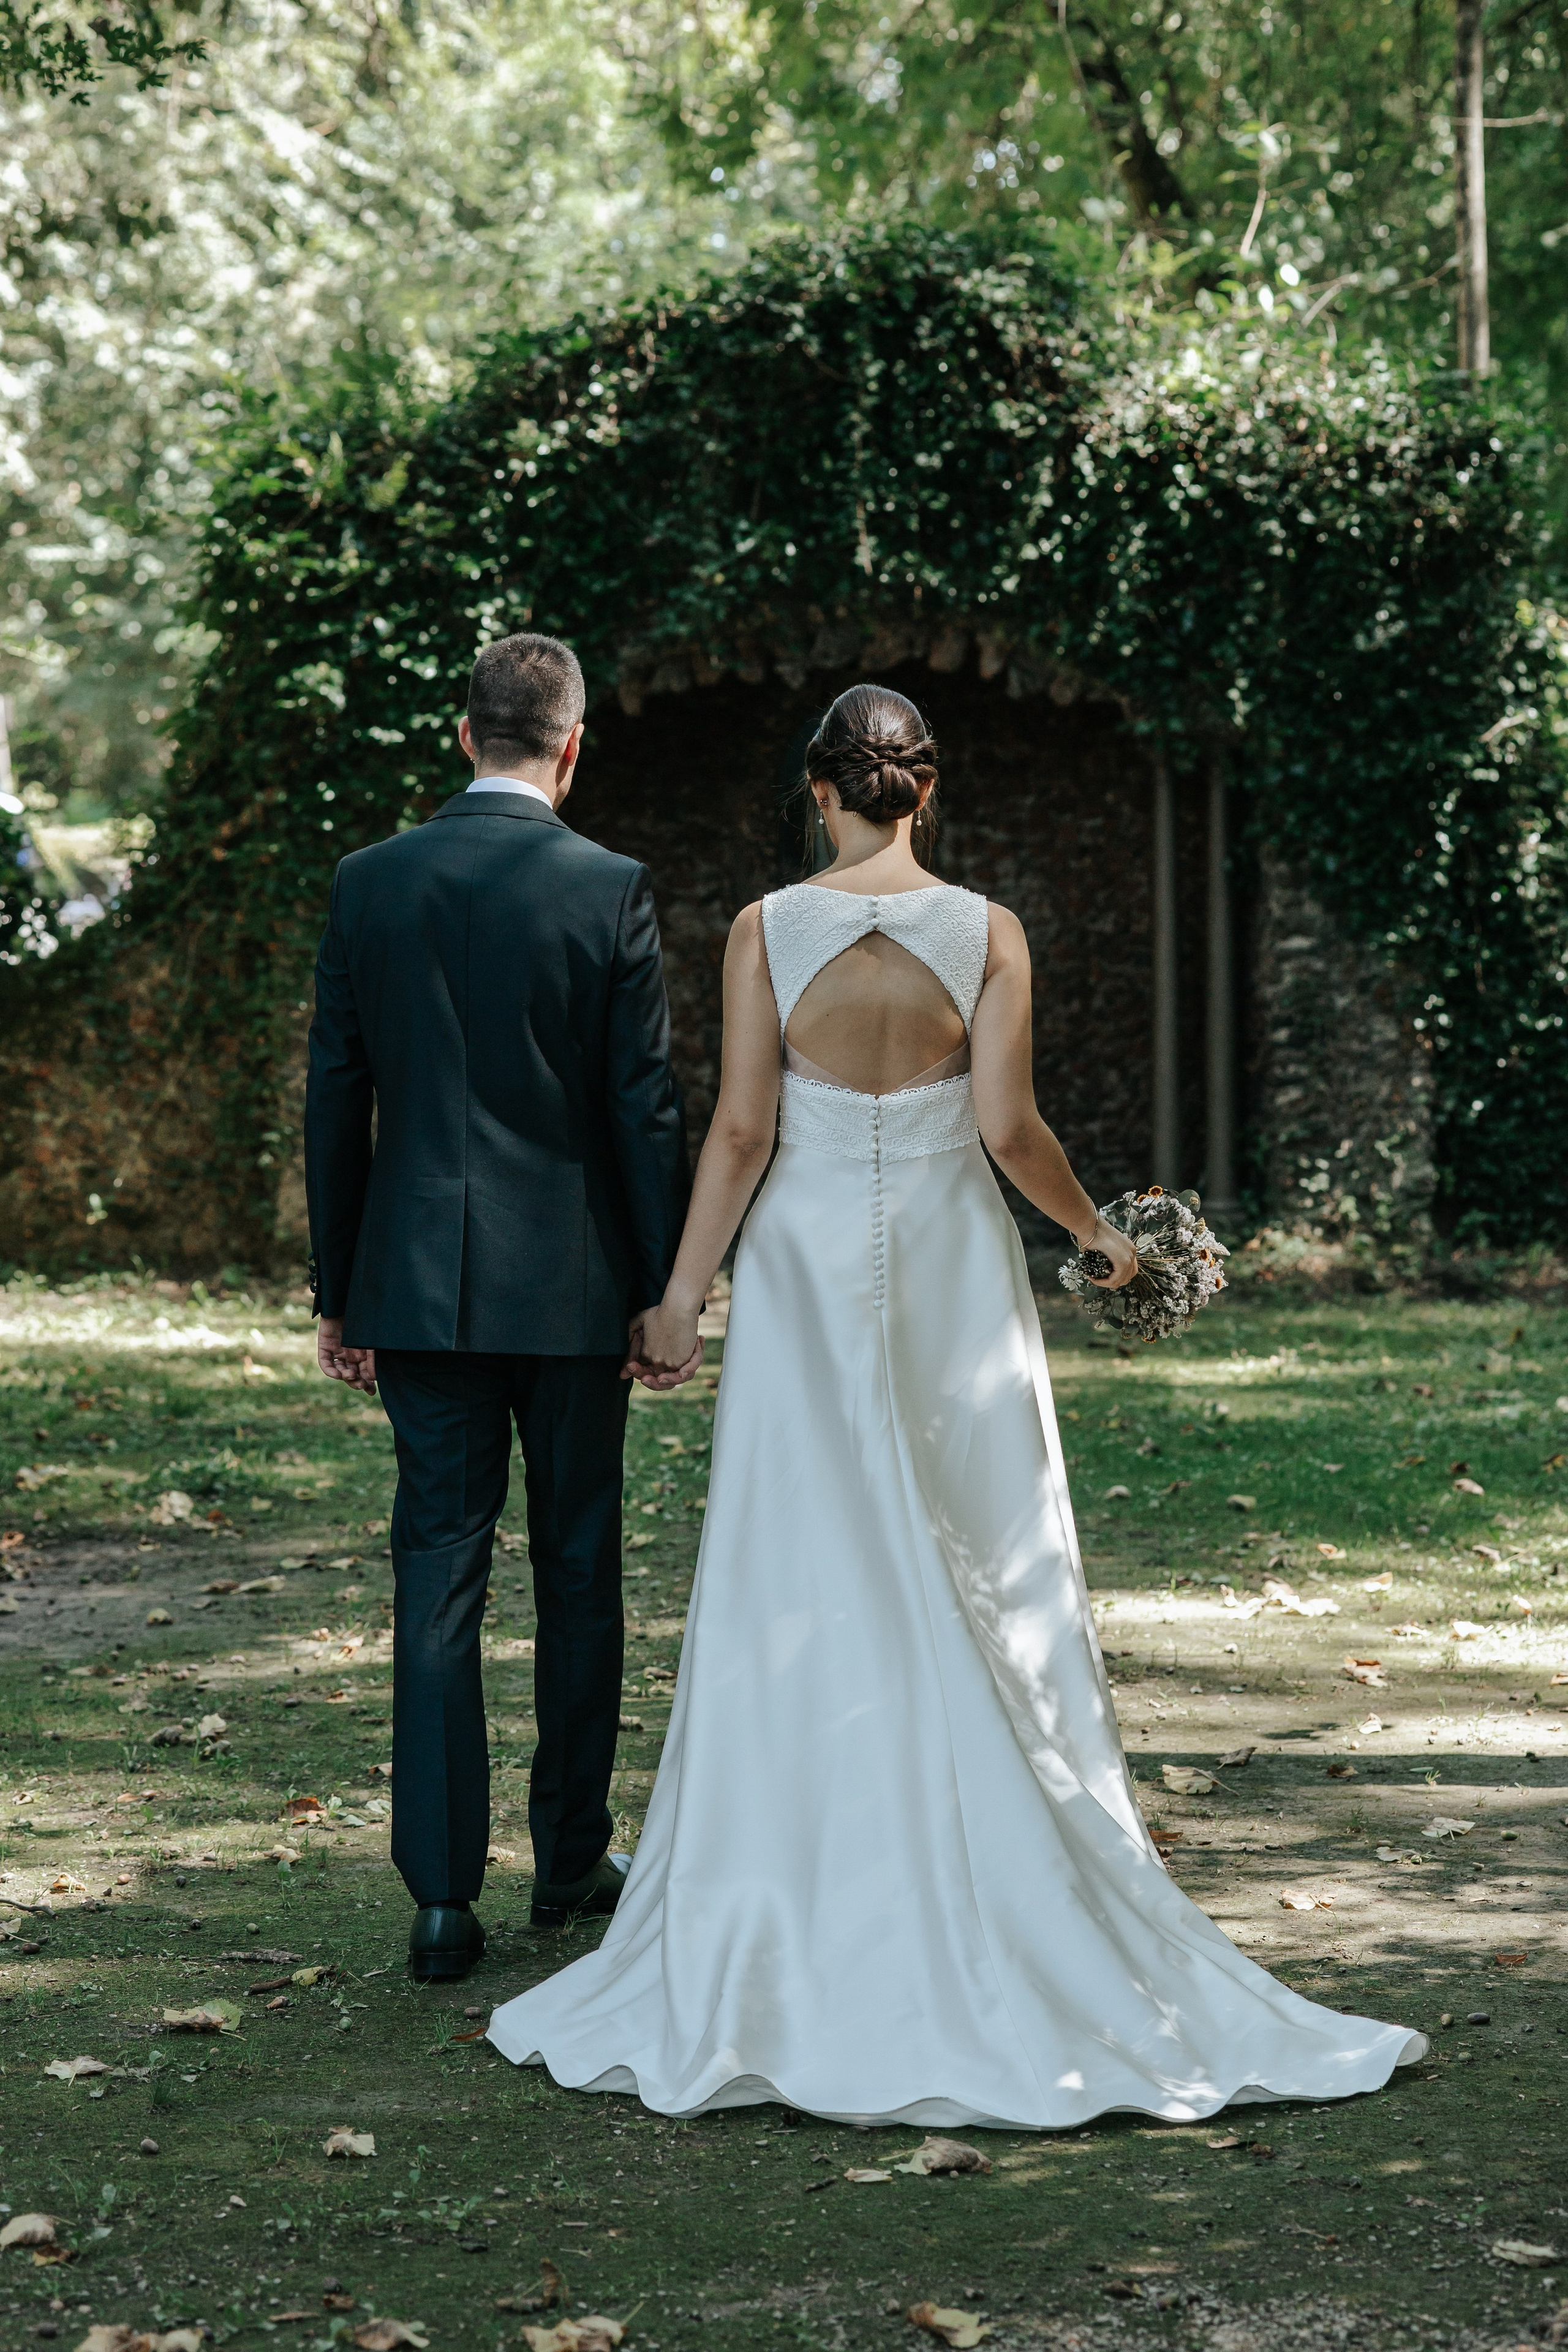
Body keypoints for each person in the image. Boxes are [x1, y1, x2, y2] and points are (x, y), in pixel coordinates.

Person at [486, 682, 1425, 2125]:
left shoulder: (762, 930)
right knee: (984, 1545)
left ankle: (795, 1874)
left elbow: (738, 1129)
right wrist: (1098, 1238)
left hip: (801, 1255)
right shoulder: (986, 932)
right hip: (947, 1254)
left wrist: (680, 1294)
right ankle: (1001, 1855)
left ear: (819, 791)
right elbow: (1005, 1128)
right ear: (924, 791)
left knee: (803, 1544)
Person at [303, 632, 691, 1982]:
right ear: (571, 747)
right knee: (579, 1571)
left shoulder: (369, 882)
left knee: (436, 1575)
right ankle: (569, 1859)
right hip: (577, 1296)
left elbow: (336, 1096)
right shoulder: (609, 887)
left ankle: (440, 1901)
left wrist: (339, 1290)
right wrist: (666, 1287)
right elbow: (643, 1107)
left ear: (465, 736)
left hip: (414, 1288)